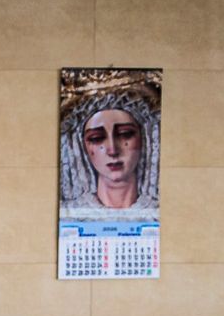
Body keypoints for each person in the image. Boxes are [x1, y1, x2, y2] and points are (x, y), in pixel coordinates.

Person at [58, 86, 160, 219]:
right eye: (97, 138)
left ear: (145, 139)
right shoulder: (69, 215)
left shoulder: (159, 213)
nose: (112, 150)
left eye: (125, 134)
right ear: (82, 146)